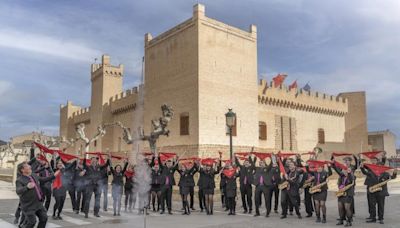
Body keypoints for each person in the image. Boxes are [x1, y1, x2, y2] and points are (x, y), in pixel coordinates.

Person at [15, 162, 57, 228]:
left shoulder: (33, 175)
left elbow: (43, 180)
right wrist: (27, 187)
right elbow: (18, 191)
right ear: (23, 170)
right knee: (32, 222)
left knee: (44, 218)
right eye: (27, 166)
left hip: (38, 203)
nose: (30, 166)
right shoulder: (19, 180)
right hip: (28, 206)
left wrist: (54, 175)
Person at [332, 161, 355, 227]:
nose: (343, 172)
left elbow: (351, 180)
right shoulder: (341, 176)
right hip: (341, 193)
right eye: (343, 171)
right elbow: (337, 170)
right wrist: (333, 164)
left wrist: (349, 172)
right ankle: (341, 220)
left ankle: (349, 221)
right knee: (340, 207)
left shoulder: (351, 176)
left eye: (345, 171)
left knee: (347, 208)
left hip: (348, 194)